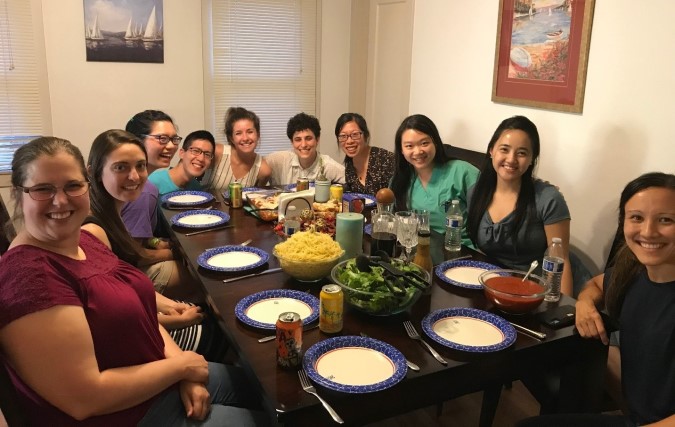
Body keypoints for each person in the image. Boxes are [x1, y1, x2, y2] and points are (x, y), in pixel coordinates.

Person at [0, 137, 266, 425]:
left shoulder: (86, 240)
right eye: (42, 189)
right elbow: (85, 398)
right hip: (128, 414)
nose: (61, 200)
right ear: (18, 194)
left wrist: (180, 367)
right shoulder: (29, 277)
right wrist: (180, 369)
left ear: (87, 184)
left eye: (72, 186)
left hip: (157, 374)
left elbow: (142, 317)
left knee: (264, 388)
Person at [518, 172, 675, 427]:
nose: (648, 231)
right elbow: (594, 285)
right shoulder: (633, 272)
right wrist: (584, 304)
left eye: (666, 220)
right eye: (636, 217)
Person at [80, 129, 227, 361]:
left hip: (143, 312)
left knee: (211, 317)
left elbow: (129, 288)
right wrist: (174, 320)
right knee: (220, 334)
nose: (135, 176)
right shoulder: (94, 232)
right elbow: (113, 315)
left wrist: (169, 307)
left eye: (140, 166)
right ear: (94, 173)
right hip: (132, 342)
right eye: (120, 167)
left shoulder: (113, 214)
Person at [466, 115, 574, 296]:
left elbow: (561, 261)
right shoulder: (476, 193)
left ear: (532, 159)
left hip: (533, 291)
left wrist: (563, 310)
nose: (511, 159)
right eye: (504, 149)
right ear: (491, 151)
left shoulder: (548, 199)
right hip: (491, 286)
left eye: (522, 153)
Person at [390, 114, 479, 243]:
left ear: (435, 142)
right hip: (418, 249)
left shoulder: (463, 172)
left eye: (424, 143)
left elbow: (485, 221)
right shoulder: (400, 180)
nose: (418, 151)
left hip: (459, 251)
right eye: (409, 146)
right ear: (401, 150)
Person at [122, 109, 181, 243]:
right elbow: (135, 254)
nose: (171, 146)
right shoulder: (141, 190)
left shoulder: (127, 178)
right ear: (137, 141)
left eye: (174, 139)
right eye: (162, 139)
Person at [265, 112, 345, 186]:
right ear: (292, 142)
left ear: (317, 139)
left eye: (308, 138)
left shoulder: (328, 166)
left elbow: (352, 182)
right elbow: (256, 165)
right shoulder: (279, 160)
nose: (303, 145)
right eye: (298, 139)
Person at [200, 107, 272, 189]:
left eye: (250, 132)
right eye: (238, 133)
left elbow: (256, 199)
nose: (245, 138)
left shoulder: (263, 169)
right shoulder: (217, 152)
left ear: (258, 135)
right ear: (231, 138)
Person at [335, 112, 395, 195]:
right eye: (343, 136)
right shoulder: (349, 164)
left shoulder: (386, 159)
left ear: (366, 135)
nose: (349, 141)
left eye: (355, 134)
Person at [149, 130, 216, 196]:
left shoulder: (196, 187)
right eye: (195, 151)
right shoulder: (152, 183)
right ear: (182, 153)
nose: (201, 159)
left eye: (207, 154)